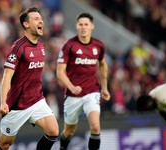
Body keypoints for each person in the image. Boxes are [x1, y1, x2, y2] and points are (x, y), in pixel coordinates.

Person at [0, 7, 59, 150]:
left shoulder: (41, 46)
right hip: (17, 105)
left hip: (36, 100)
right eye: (36, 19)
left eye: (41, 19)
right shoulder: (18, 47)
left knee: (53, 131)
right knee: (4, 144)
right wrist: (3, 101)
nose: (41, 21)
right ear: (26, 24)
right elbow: (7, 75)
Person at [56, 12, 111, 150]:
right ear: (76, 26)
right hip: (72, 95)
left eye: (86, 24)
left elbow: (103, 65)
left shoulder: (99, 46)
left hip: (91, 91)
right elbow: (60, 72)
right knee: (69, 132)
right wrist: (72, 87)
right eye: (80, 24)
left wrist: (104, 87)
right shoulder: (69, 46)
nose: (83, 27)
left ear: (92, 26)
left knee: (95, 127)